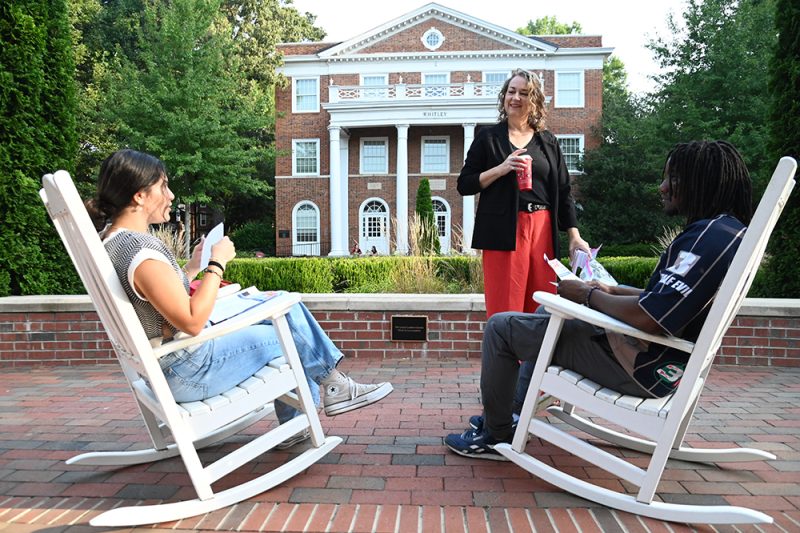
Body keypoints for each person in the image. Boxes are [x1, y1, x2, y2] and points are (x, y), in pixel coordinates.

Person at [446, 140, 753, 460]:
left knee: (501, 328)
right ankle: (513, 415)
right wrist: (610, 291)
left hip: (641, 366)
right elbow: (666, 302)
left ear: (702, 182)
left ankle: (496, 435)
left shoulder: (706, 238)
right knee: (544, 312)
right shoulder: (726, 232)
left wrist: (589, 295)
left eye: (673, 179)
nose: (663, 188)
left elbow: (652, 318)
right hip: (663, 364)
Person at [86, 149, 393, 449]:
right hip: (189, 370)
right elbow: (192, 322)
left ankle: (321, 399)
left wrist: (193, 269)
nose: (171, 195)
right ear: (139, 195)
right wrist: (217, 264)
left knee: (282, 302)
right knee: (287, 327)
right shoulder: (143, 253)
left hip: (171, 364)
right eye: (163, 186)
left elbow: (153, 302)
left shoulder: (113, 242)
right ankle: (331, 390)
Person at [457, 68, 590, 318]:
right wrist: (501, 168)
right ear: (504, 96)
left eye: (524, 93)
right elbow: (465, 184)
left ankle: (536, 358)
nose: (515, 98)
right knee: (506, 306)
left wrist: (574, 235)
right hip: (503, 228)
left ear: (535, 100)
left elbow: (563, 190)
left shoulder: (547, 141)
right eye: (511, 91)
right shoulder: (488, 137)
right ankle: (506, 357)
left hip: (542, 228)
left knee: (543, 304)